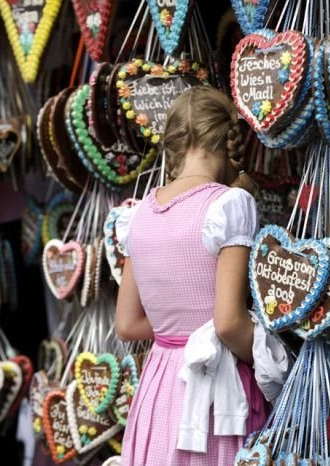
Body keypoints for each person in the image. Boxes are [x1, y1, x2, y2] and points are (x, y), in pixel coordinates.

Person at [115, 86, 268, 465]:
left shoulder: (136, 216)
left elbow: (128, 324)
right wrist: (276, 359)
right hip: (214, 388)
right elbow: (228, 322)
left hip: (159, 387)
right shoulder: (229, 204)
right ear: (226, 138)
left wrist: (178, 326)